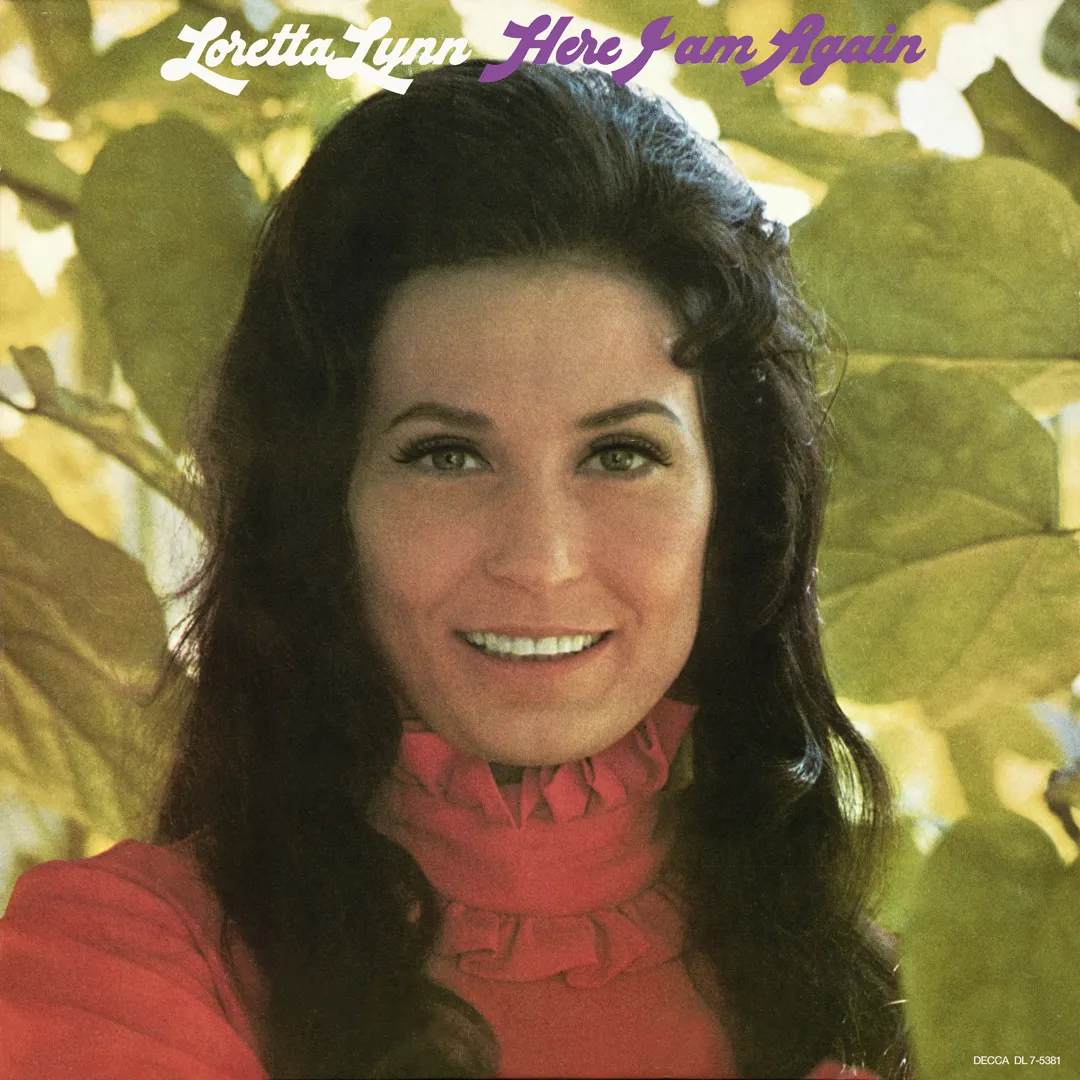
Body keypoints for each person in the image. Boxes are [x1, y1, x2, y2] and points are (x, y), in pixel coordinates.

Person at [0, 62, 908, 1079]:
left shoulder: (886, 1004)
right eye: (446, 456)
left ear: (731, 509)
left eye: (620, 455)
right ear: (326, 511)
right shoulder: (117, 962)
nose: (541, 559)